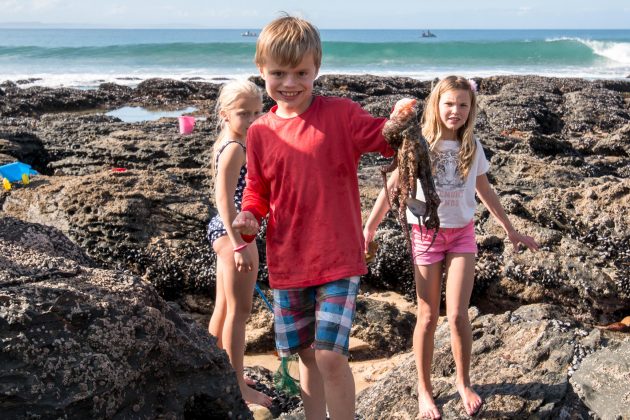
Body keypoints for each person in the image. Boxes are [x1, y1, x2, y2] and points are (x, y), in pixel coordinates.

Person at [231, 15, 415, 420]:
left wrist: (400, 118)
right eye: (278, 73)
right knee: (306, 356)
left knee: (331, 356)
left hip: (337, 258)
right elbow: (258, 189)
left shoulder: (341, 114)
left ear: (317, 68)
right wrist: (249, 217)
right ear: (261, 71)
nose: (290, 82)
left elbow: (384, 139)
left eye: (301, 72)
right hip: (288, 261)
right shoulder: (260, 132)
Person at [363, 76, 539, 419]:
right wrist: (369, 227)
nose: (455, 111)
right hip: (425, 235)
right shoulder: (419, 142)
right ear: (435, 105)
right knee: (428, 316)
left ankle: (463, 381)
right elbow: (393, 186)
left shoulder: (472, 146)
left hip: (462, 235)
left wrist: (511, 230)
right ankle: (424, 390)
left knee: (458, 315)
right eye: (448, 103)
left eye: (462, 105)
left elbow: (485, 191)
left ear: (471, 109)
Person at [206, 79, 272, 408]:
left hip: (227, 231)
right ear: (225, 114)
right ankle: (237, 387)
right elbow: (223, 198)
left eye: (258, 112)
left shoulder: (234, 141)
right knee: (240, 312)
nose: (252, 120)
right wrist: (238, 243)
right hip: (234, 232)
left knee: (223, 306)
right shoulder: (235, 148)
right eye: (244, 113)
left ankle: (217, 369)